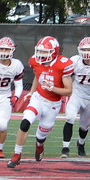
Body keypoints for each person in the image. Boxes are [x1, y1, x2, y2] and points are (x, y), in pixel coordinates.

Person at [6, 36, 73, 169]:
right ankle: (17, 154)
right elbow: (38, 76)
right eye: (39, 51)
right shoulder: (35, 61)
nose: (41, 55)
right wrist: (31, 92)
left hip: (53, 104)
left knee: (42, 134)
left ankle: (39, 144)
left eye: (45, 52)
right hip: (38, 98)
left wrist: (52, 88)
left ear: (54, 52)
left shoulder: (63, 65)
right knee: (25, 122)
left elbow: (69, 91)